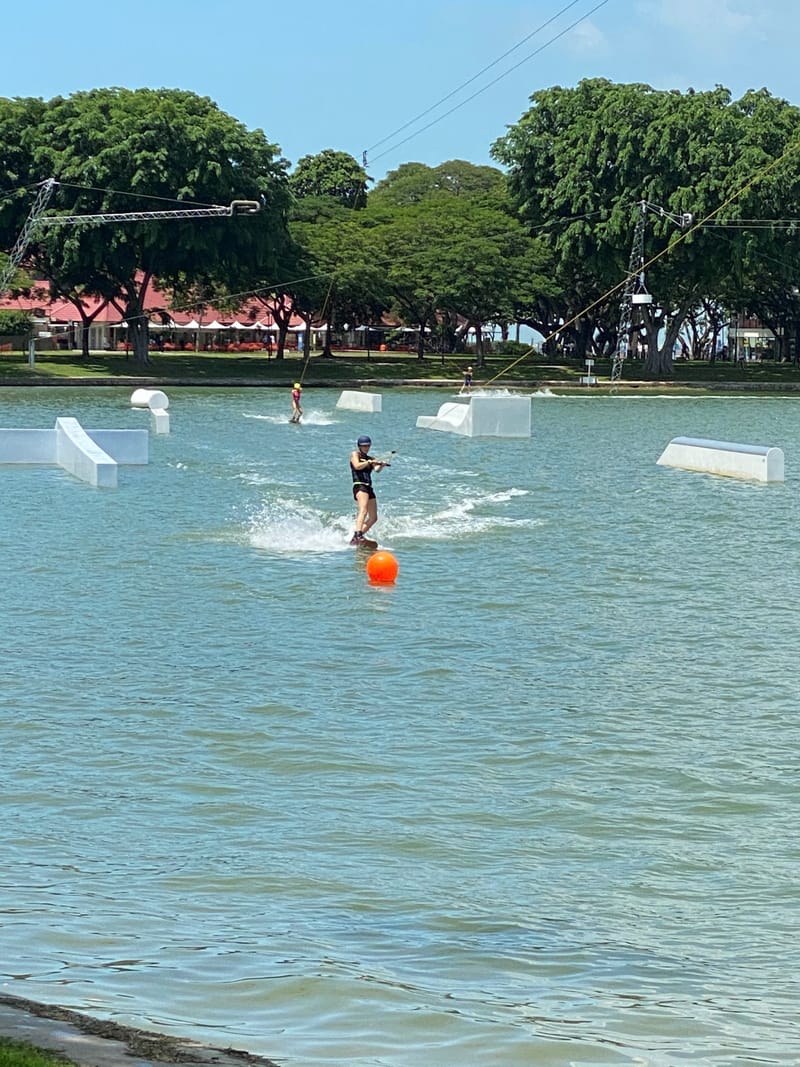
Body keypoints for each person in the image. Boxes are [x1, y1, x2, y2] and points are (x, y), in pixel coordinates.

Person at [349, 434, 388, 545]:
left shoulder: (371, 458)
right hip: (359, 485)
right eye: (364, 446)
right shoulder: (354, 454)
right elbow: (357, 466)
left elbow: (376, 470)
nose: (366, 448)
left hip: (368, 487)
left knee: (373, 517)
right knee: (363, 510)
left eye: (368, 446)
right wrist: (368, 462)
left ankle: (356, 538)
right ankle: (358, 534)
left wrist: (381, 465)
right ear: (359, 446)